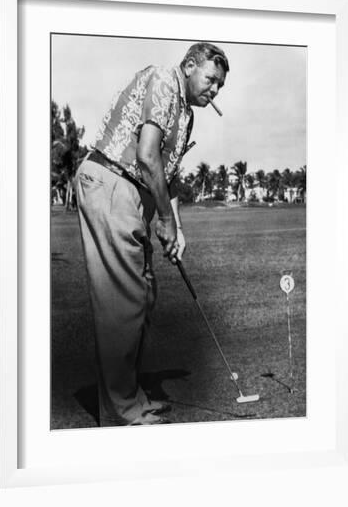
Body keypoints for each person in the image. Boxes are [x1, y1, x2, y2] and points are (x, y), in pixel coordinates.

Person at [75, 42, 229, 426]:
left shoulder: (186, 116)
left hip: (132, 194)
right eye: (210, 79)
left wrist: (176, 228)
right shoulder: (163, 79)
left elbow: (168, 173)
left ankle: (129, 398)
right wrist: (165, 220)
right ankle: (122, 410)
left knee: (143, 295)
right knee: (124, 302)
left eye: (219, 87)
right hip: (111, 181)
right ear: (189, 65)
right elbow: (146, 156)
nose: (213, 90)